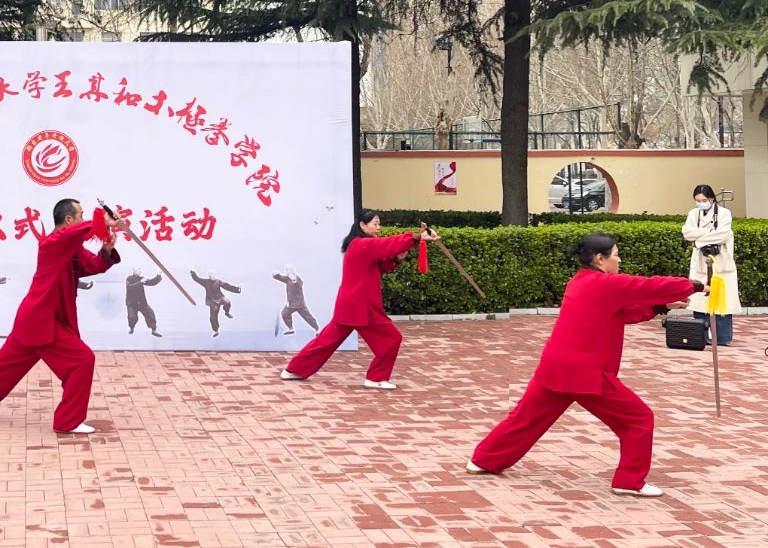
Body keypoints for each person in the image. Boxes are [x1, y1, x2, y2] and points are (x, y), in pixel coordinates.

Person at [466, 232, 702, 497]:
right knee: (638, 420)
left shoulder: (580, 281)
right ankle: (628, 481)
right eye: (616, 255)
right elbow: (648, 286)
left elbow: (622, 313)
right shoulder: (606, 284)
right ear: (600, 258)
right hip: (586, 372)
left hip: (556, 366)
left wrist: (660, 307)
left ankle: (482, 460)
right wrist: (695, 285)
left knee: (525, 419)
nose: (619, 260)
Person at [0, 199, 123, 434]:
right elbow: (75, 234)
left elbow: (92, 265)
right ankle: (68, 421)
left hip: (37, 319)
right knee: (82, 360)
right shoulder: (51, 244)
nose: (84, 219)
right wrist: (102, 221)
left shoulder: (70, 247)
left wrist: (106, 250)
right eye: (81, 215)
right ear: (69, 220)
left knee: (3, 367)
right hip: (41, 319)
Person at [280, 209, 435, 388]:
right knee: (391, 339)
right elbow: (388, 244)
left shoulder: (360, 245)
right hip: (362, 306)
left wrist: (398, 259)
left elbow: (380, 266)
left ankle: (294, 369)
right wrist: (417, 237)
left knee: (326, 341)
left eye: (379, 224)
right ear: (362, 225)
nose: (378, 227)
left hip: (352, 304)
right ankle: (376, 378)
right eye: (375, 224)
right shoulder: (362, 244)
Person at [683, 184, 739, 345]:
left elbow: (723, 235)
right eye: (698, 200)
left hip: (721, 262)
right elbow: (687, 233)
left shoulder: (724, 213)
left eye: (704, 200)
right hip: (700, 262)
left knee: (722, 300)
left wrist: (698, 241)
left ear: (712, 199)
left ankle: (722, 337)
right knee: (700, 299)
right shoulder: (693, 214)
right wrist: (709, 234)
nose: (701, 203)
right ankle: (701, 335)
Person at [191, 270, 241, 338]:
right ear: (209, 277)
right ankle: (215, 331)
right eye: (212, 276)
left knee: (227, 302)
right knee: (213, 317)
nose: (214, 277)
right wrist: (193, 273)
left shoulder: (218, 281)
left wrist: (237, 289)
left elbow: (227, 286)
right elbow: (197, 279)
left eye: (215, 275)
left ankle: (227, 313)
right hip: (212, 301)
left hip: (220, 298)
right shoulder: (206, 282)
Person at [273, 267, 318, 336]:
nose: (287, 272)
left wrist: (294, 279)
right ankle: (291, 329)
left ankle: (317, 329)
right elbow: (280, 277)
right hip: (291, 304)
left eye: (289, 271)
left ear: (293, 271)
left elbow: (299, 283)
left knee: (308, 317)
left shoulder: (298, 279)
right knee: (284, 314)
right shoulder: (287, 279)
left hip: (300, 304)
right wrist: (276, 274)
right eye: (287, 271)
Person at [125, 268, 163, 337]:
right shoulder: (129, 278)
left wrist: (158, 275)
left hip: (142, 302)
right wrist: (140, 282)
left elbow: (152, 282)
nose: (140, 271)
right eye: (138, 270)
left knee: (150, 313)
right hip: (132, 303)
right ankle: (131, 328)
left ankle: (154, 330)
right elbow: (129, 287)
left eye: (140, 270)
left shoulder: (141, 278)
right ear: (134, 270)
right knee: (132, 317)